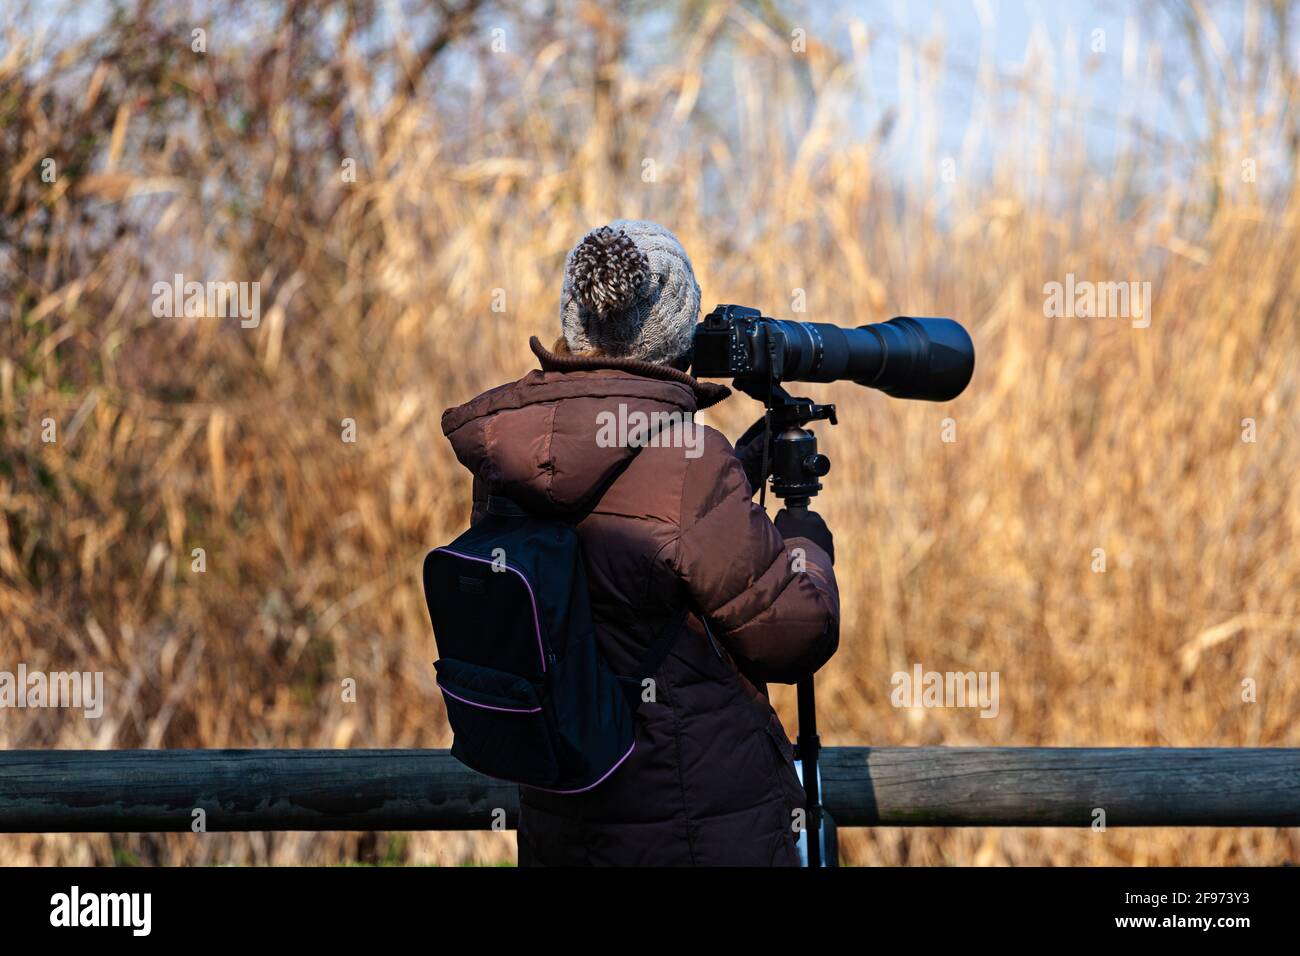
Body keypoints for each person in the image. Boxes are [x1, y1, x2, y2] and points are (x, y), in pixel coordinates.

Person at [440, 220, 840, 865]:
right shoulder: (686, 462)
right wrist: (802, 537)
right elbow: (794, 635)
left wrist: (731, 477)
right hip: (698, 832)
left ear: (576, 321)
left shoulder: (509, 456)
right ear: (676, 332)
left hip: (564, 823)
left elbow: (609, 571)